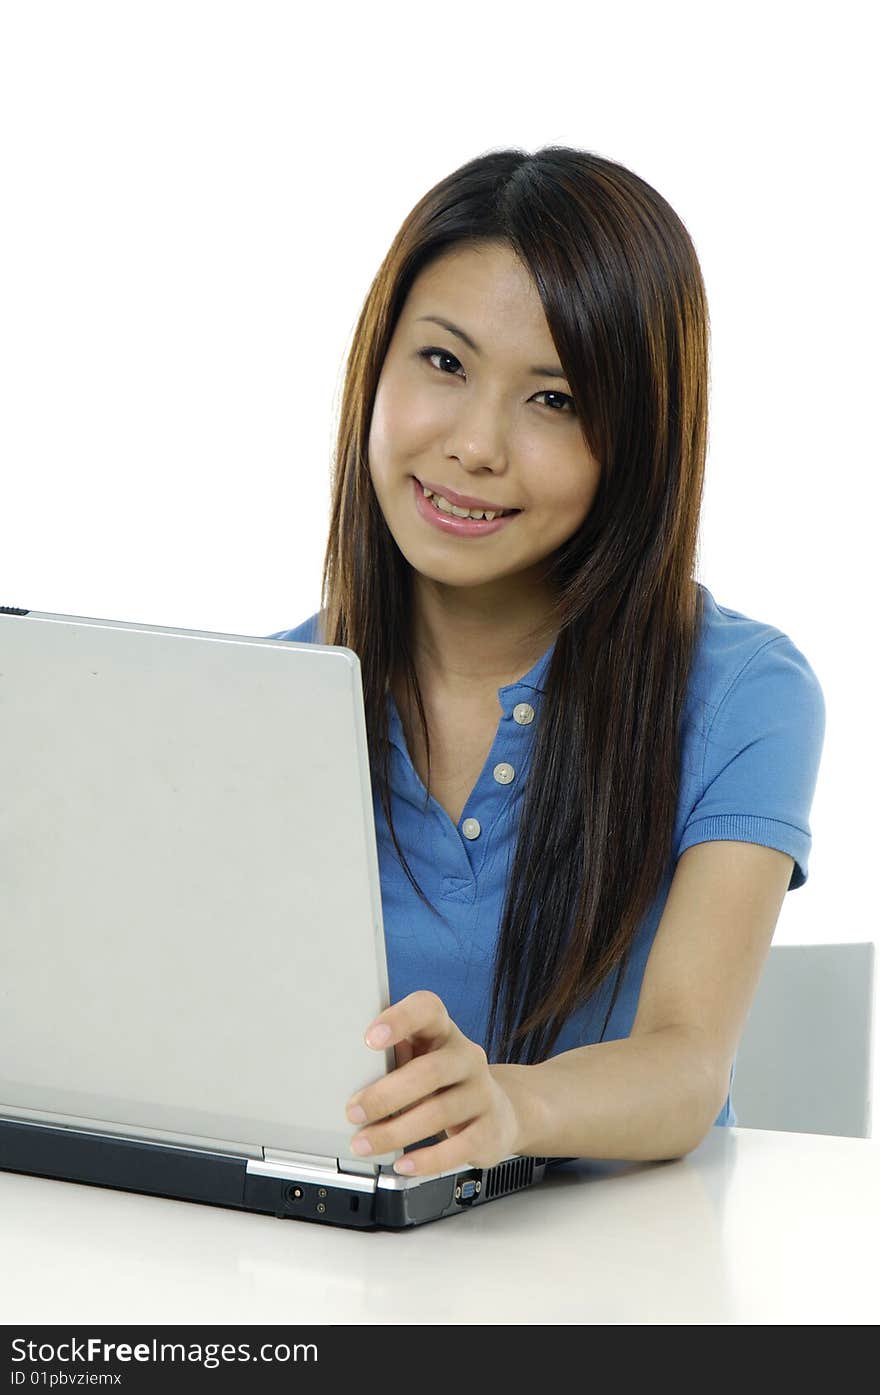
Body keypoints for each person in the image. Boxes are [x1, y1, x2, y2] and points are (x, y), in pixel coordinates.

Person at [267, 146, 825, 1179]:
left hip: (628, 1291)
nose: (476, 444)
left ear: (640, 442)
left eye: (555, 399)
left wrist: (509, 1106)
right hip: (333, 1275)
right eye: (443, 363)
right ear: (374, 368)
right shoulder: (255, 706)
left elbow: (686, 1066)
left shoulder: (741, 692)